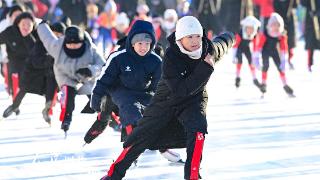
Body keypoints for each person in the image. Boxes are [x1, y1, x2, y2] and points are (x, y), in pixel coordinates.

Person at [98, 16, 235, 180]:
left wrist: (229, 37)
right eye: (189, 37)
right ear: (180, 39)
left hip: (194, 100)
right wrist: (205, 68)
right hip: (167, 99)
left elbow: (222, 45)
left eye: (198, 36)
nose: (195, 41)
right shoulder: (171, 57)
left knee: (198, 129)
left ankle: (192, 176)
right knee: (140, 135)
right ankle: (114, 174)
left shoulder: (208, 50)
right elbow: (181, 90)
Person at [90, 20, 182, 163]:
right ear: (132, 43)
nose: (143, 47)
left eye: (147, 44)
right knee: (131, 111)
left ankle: (163, 146)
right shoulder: (118, 57)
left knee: (159, 112)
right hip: (121, 90)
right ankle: (130, 147)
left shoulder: (155, 60)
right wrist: (96, 98)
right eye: (140, 43)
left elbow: (161, 84)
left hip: (144, 92)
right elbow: (104, 79)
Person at [37, 21, 105, 134]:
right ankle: (66, 119)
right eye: (70, 44)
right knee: (69, 94)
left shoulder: (91, 49)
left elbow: (103, 65)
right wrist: (42, 25)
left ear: (82, 41)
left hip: (86, 76)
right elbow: (47, 37)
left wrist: (91, 70)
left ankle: (108, 118)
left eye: (76, 44)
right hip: (65, 74)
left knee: (97, 96)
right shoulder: (57, 46)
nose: (73, 46)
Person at [2, 21, 65, 124]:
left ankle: (47, 109)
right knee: (25, 88)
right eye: (56, 34)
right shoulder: (41, 42)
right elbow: (37, 60)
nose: (58, 37)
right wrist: (50, 60)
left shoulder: (60, 44)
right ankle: (14, 106)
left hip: (47, 72)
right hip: (33, 71)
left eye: (60, 35)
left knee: (51, 86)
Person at [0, 12, 36, 117]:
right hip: (14, 61)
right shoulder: (10, 32)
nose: (26, 27)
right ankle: (15, 103)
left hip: (29, 63)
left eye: (29, 25)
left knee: (24, 84)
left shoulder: (35, 34)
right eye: (23, 24)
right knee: (14, 84)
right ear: (18, 23)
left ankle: (15, 105)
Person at [253, 13, 295, 97]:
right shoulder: (265, 34)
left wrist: (284, 60)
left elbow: (284, 48)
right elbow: (259, 46)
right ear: (270, 25)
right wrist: (256, 58)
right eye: (274, 25)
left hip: (274, 51)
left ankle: (285, 84)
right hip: (265, 51)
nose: (276, 27)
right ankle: (264, 83)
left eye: (278, 25)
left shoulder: (281, 35)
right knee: (266, 66)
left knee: (280, 67)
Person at [231, 15, 261, 89]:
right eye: (249, 28)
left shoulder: (254, 35)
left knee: (251, 61)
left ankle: (254, 78)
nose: (250, 31)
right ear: (245, 27)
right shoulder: (240, 34)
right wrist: (234, 56)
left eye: (252, 29)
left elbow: (255, 47)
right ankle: (237, 77)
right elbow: (235, 46)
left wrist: (256, 58)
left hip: (246, 48)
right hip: (239, 48)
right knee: (239, 61)